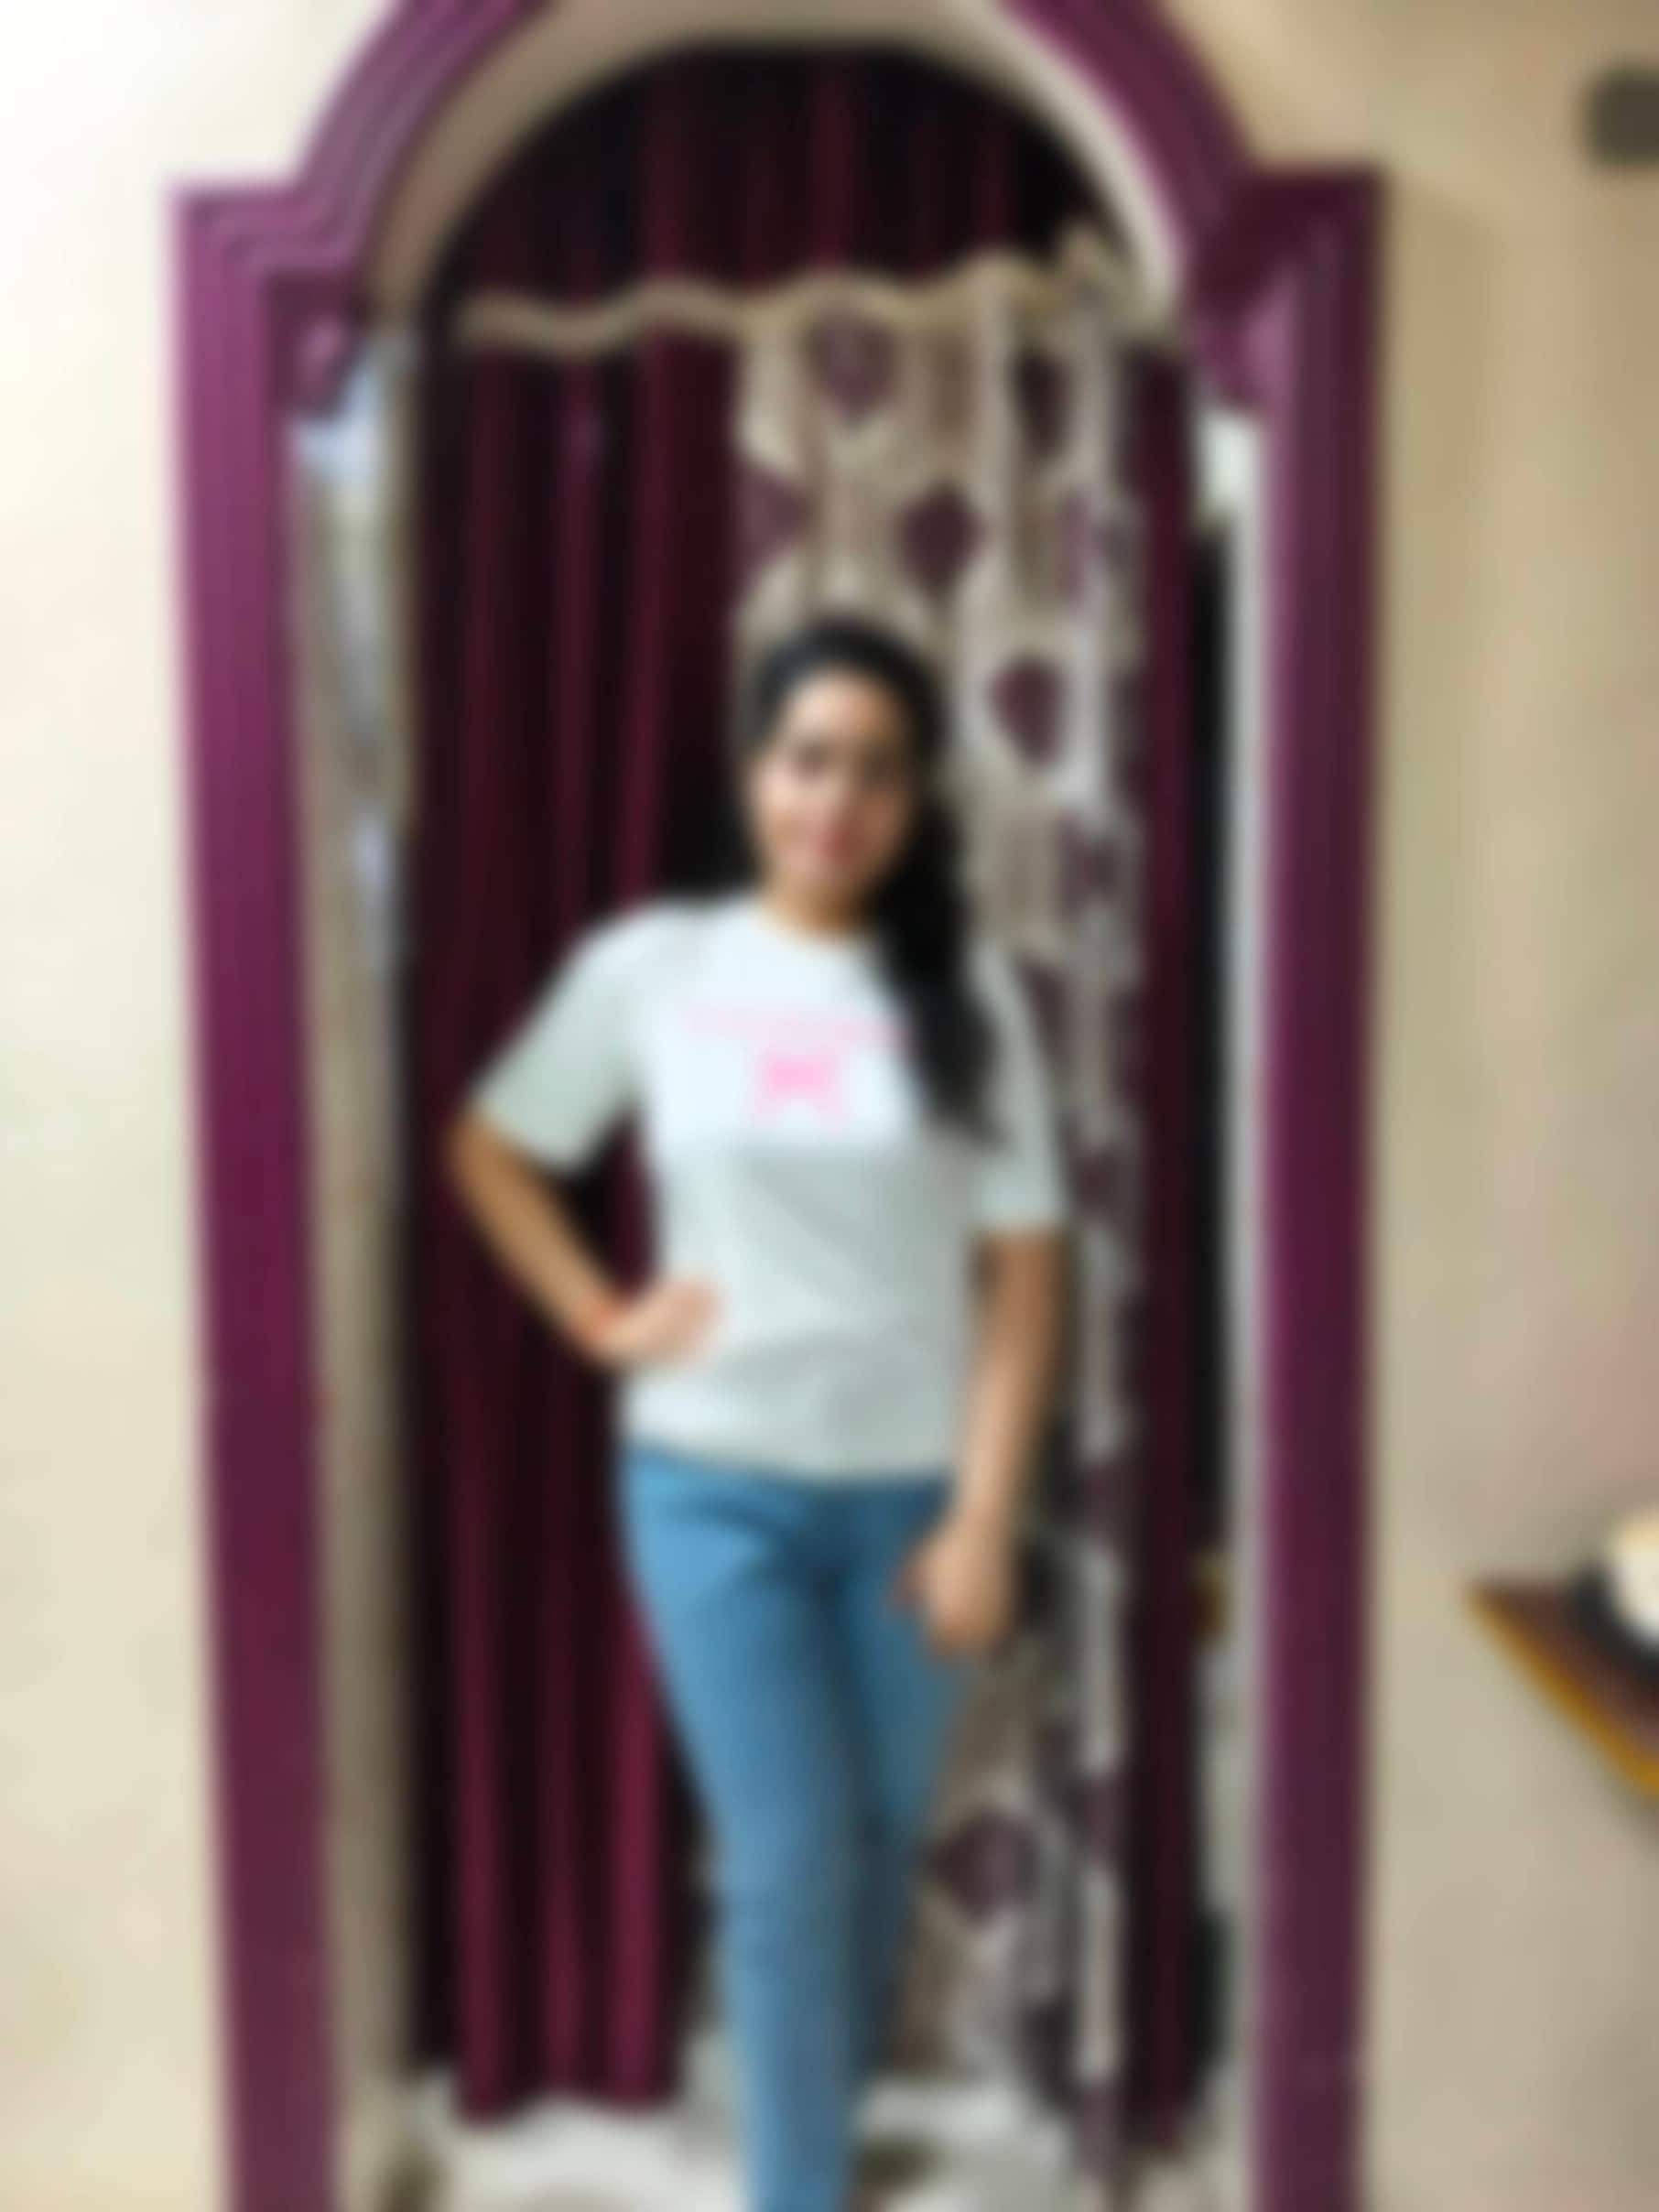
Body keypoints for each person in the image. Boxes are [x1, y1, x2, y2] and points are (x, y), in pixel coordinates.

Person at [446, 612, 1070, 2212]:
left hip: (912, 1497)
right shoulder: (654, 968)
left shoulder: (967, 993)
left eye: (877, 770)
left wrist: (985, 1520)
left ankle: (820, 2127)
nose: (836, 800)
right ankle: (800, 2188)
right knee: (787, 1865)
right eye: (808, 760)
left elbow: (1025, 1277)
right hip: (710, 1483)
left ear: (918, 800)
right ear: (752, 773)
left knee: (875, 1840)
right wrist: (600, 1316)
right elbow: (494, 1149)